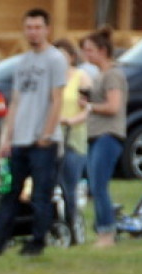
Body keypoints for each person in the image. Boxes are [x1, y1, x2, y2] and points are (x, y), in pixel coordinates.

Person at [0, 9, 66, 255]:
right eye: (29, 27)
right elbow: (16, 102)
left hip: (43, 141)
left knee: (41, 195)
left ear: (47, 29)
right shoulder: (22, 62)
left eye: (37, 27)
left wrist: (47, 134)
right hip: (20, 140)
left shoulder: (55, 59)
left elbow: (57, 100)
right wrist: (7, 137)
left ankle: (37, 242)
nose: (33, 32)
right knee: (9, 193)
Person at [81, 27, 127, 248]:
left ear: (102, 50)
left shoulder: (113, 75)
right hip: (95, 135)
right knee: (95, 185)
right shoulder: (99, 75)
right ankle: (102, 230)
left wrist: (89, 106)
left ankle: (107, 233)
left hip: (108, 135)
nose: (85, 55)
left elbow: (113, 106)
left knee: (99, 185)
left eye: (89, 50)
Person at [56, 38, 91, 244]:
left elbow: (87, 108)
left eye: (63, 55)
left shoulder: (81, 77)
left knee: (69, 185)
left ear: (71, 57)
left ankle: (72, 227)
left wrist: (70, 120)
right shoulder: (51, 79)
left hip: (73, 137)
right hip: (53, 136)